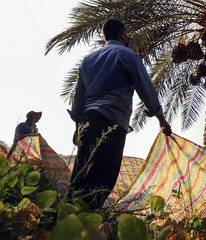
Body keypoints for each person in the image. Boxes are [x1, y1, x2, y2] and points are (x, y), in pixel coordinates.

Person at [68, 19, 172, 209]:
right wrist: (161, 119)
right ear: (123, 35)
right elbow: (146, 90)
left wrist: (78, 128)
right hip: (112, 123)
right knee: (103, 178)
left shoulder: (88, 60)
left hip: (88, 121)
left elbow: (78, 98)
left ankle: (64, 222)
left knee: (80, 175)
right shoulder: (128, 55)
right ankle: (87, 223)